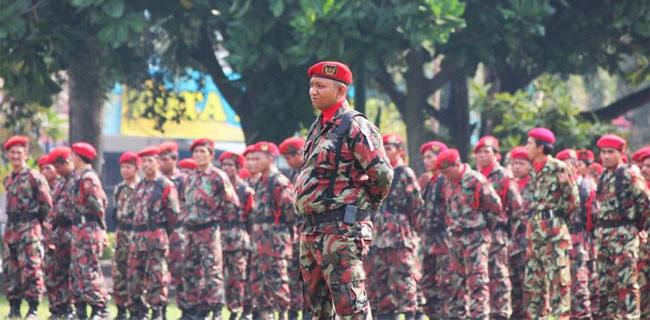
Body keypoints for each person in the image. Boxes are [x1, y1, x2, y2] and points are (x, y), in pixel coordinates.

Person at [295, 61, 393, 319]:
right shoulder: (318, 127)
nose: (313, 91)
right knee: (316, 309)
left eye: (320, 86)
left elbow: (382, 174)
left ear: (340, 92)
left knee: (351, 306)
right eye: (312, 86)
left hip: (342, 229)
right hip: (313, 229)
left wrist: (362, 205)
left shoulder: (355, 126)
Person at [436, 148, 502, 319]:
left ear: (457, 165)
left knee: (477, 281)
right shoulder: (447, 182)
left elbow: (495, 206)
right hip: (456, 238)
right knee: (457, 282)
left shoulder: (474, 179)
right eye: (442, 173)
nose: (444, 175)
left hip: (475, 237)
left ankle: (479, 316)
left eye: (447, 171)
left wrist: (482, 227)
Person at [365, 133, 423, 319]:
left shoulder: (405, 173)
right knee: (379, 282)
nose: (384, 152)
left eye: (388, 148)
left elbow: (416, 206)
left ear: (399, 150)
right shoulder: (376, 173)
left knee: (404, 281)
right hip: (377, 236)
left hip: (399, 236)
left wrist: (415, 232)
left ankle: (411, 314)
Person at [523, 128, 579, 319]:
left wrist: (555, 218)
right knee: (533, 283)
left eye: (529, 144)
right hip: (535, 231)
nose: (526, 148)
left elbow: (573, 200)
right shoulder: (532, 171)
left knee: (558, 282)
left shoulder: (559, 168)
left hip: (554, 231)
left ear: (540, 147)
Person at [593, 135, 650, 319]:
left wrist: (635, 227)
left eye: (611, 152)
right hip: (605, 236)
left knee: (626, 285)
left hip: (624, 235)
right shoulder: (604, 176)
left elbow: (645, 203)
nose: (606, 156)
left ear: (620, 154)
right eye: (603, 152)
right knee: (605, 285)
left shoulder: (629, 174)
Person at [183, 138, 239, 320]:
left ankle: (215, 309)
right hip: (191, 230)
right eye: (196, 152)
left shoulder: (218, 176)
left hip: (209, 229)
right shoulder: (190, 177)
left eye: (202, 152)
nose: (198, 155)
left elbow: (231, 203)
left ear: (211, 155)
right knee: (191, 269)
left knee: (212, 270)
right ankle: (194, 308)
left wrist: (218, 220)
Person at [2, 136, 52, 319]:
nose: (15, 156)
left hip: (29, 228)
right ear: (7, 155)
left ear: (26, 154)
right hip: (11, 229)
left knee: (31, 268)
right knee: (11, 270)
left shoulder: (34, 177)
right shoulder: (8, 179)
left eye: (19, 152)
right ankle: (14, 308)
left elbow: (46, 204)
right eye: (12, 152)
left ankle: (33, 309)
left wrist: (37, 223)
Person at [127, 146, 179, 320]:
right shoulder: (140, 185)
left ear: (158, 163)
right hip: (138, 236)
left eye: (151, 161)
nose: (147, 165)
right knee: (135, 274)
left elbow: (173, 214)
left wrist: (165, 233)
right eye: (144, 161)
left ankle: (157, 310)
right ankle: (137, 311)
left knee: (157, 276)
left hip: (156, 234)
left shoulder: (165, 185)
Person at [246, 142, 296, 320]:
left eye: (257, 159)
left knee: (277, 280)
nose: (253, 163)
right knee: (259, 282)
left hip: (274, 241)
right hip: (260, 241)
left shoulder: (278, 181)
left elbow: (291, 211)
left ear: (270, 159)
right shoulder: (261, 181)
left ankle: (283, 315)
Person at [473, 136, 521, 319]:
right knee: (480, 278)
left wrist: (510, 234)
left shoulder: (503, 176)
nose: (483, 155)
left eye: (487, 151)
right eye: (479, 152)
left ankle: (501, 314)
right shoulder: (474, 175)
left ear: (496, 155)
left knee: (498, 277)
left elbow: (516, 207)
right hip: (477, 236)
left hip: (497, 235)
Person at [69, 142, 110, 320]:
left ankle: (98, 308)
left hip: (89, 229)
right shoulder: (80, 177)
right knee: (79, 269)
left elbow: (98, 205)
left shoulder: (89, 178)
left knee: (89, 269)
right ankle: (81, 309)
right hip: (81, 229)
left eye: (73, 156)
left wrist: (100, 228)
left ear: (78, 157)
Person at [556, 148, 596, 319]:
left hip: (579, 238)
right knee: (563, 284)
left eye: (570, 165)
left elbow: (593, 216)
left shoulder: (585, 185)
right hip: (562, 239)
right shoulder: (558, 187)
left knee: (580, 282)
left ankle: (583, 315)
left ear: (576, 166)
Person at [218, 151, 255, 320]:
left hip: (238, 240)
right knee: (215, 278)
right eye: (224, 165)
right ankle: (216, 309)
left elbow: (251, 219)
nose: (226, 168)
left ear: (238, 168)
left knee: (237, 278)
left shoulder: (245, 191)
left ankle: (237, 310)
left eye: (230, 165)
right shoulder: (216, 188)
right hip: (217, 240)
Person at [417, 141, 451, 320]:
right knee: (428, 286)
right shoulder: (430, 182)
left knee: (445, 285)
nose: (426, 160)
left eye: (430, 157)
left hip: (444, 240)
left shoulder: (445, 180)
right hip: (429, 240)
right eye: (424, 157)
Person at [43, 147, 76, 320]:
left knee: (74, 272)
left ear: (67, 162)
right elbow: (54, 206)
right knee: (58, 272)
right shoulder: (61, 182)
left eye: (59, 166)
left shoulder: (78, 180)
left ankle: (74, 309)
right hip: (59, 232)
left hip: (73, 230)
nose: (57, 170)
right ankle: (61, 308)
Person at [278, 136, 306, 320]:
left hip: (312, 232)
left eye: (289, 157)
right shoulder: (294, 175)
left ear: (300, 153)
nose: (287, 162)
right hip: (299, 234)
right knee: (296, 276)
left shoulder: (313, 172)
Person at [111, 152, 140, 320]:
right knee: (118, 272)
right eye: (122, 167)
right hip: (121, 232)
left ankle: (136, 309)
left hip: (135, 233)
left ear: (136, 169)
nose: (125, 170)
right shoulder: (119, 188)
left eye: (128, 167)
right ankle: (121, 309)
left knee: (134, 272)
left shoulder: (141, 187)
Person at [158, 141, 186, 315]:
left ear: (175, 159)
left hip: (178, 232)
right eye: (159, 159)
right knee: (158, 273)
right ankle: (159, 309)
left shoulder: (183, 180)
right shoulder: (156, 182)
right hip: (159, 232)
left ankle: (186, 309)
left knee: (180, 272)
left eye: (165, 159)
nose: (161, 163)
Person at [508, 146, 533, 319]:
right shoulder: (511, 185)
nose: (517, 167)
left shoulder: (536, 185)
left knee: (529, 287)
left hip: (529, 243)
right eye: (514, 163)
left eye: (521, 163)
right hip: (512, 243)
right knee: (513, 288)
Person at [632, 146, 650, 318]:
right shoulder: (639, 190)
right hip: (644, 251)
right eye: (643, 166)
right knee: (642, 292)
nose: (644, 170)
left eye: (649, 166)